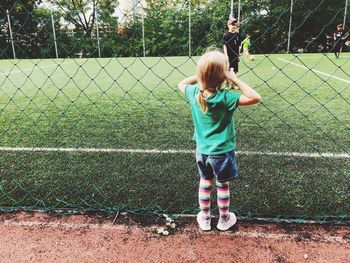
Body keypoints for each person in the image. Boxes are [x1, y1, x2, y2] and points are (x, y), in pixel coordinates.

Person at [178, 51, 261, 231]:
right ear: (223, 76)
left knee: (205, 181)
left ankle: (205, 219)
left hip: (202, 150)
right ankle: (224, 219)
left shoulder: (193, 92)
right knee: (222, 185)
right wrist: (234, 79)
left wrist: (201, 77)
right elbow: (255, 97)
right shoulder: (226, 97)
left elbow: (181, 83)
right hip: (222, 152)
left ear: (201, 75)